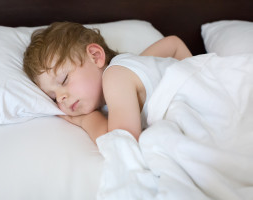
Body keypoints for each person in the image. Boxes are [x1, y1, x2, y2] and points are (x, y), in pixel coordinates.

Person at [23, 21, 192, 144]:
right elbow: (173, 44)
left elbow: (122, 143)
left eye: (64, 79)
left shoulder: (115, 76)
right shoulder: (131, 70)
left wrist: (87, 120)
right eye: (53, 98)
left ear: (95, 56)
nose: (61, 98)